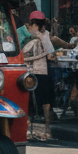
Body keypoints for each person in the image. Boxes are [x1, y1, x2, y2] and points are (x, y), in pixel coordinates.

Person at [22, 11, 55, 141]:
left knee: (29, 101)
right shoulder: (45, 35)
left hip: (29, 73)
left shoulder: (26, 35)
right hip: (42, 72)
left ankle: (28, 130)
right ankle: (47, 130)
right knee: (45, 102)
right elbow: (51, 55)